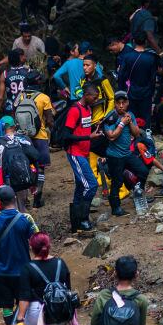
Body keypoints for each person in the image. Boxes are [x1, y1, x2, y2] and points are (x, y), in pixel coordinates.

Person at [15, 233, 76, 325]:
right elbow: (67, 289)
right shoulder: (61, 263)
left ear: (32, 248)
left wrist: (20, 318)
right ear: (49, 246)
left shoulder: (28, 268)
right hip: (59, 311)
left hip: (37, 312)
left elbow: (24, 297)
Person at [0, 185, 40, 325]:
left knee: (6, 305)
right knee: (24, 300)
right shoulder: (26, 218)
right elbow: (37, 241)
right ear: (15, 198)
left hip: (3, 272)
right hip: (24, 271)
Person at [62, 84, 101, 232]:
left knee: (80, 186)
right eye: (94, 97)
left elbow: (83, 128)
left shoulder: (88, 109)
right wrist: (88, 136)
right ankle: (83, 219)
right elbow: (67, 135)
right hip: (75, 153)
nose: (96, 100)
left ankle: (75, 222)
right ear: (86, 95)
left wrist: (93, 130)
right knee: (91, 185)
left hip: (84, 153)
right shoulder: (75, 110)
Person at [102, 91, 145, 217]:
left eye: (123, 103)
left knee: (143, 171)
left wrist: (130, 122)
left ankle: (137, 192)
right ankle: (115, 207)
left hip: (127, 153)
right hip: (114, 156)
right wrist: (122, 124)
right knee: (117, 181)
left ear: (127, 103)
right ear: (114, 104)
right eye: (118, 103)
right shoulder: (111, 117)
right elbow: (111, 137)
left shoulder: (129, 114)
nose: (121, 105)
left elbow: (137, 134)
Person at [0, 116, 41, 213]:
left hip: (6, 180)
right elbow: (34, 160)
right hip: (24, 179)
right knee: (22, 205)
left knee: (9, 208)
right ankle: (24, 223)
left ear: (2, 127)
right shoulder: (25, 139)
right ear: (14, 126)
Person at [18, 71, 54, 208]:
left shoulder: (19, 97)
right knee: (41, 168)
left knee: (25, 168)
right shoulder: (44, 98)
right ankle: (37, 200)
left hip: (23, 137)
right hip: (40, 137)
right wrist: (53, 129)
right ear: (38, 83)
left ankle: (24, 200)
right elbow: (50, 120)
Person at [116, 34, 159, 125]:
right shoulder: (151, 58)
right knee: (145, 119)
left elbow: (121, 75)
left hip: (130, 92)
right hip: (146, 92)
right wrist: (151, 93)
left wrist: (121, 91)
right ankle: (144, 137)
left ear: (134, 41)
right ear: (146, 42)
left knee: (130, 117)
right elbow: (153, 79)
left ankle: (131, 138)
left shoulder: (127, 56)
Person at [0, 49, 32, 121]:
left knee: (11, 129)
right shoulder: (28, 71)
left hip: (11, 107)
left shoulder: (5, 74)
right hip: (25, 106)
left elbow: (0, 97)